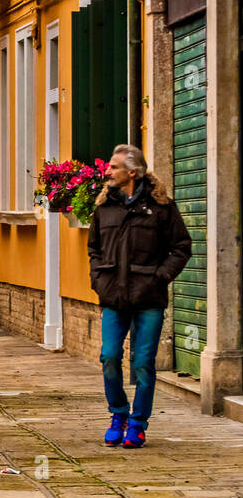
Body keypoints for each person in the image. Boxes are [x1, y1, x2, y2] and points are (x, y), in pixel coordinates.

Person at [87, 144, 192, 448]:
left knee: (144, 362)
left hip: (149, 298)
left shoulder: (161, 207)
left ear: (132, 172)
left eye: (114, 167)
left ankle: (138, 423)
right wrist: (98, 279)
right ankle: (118, 414)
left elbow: (181, 247)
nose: (107, 171)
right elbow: (94, 248)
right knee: (108, 356)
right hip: (113, 297)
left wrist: (160, 278)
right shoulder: (104, 206)